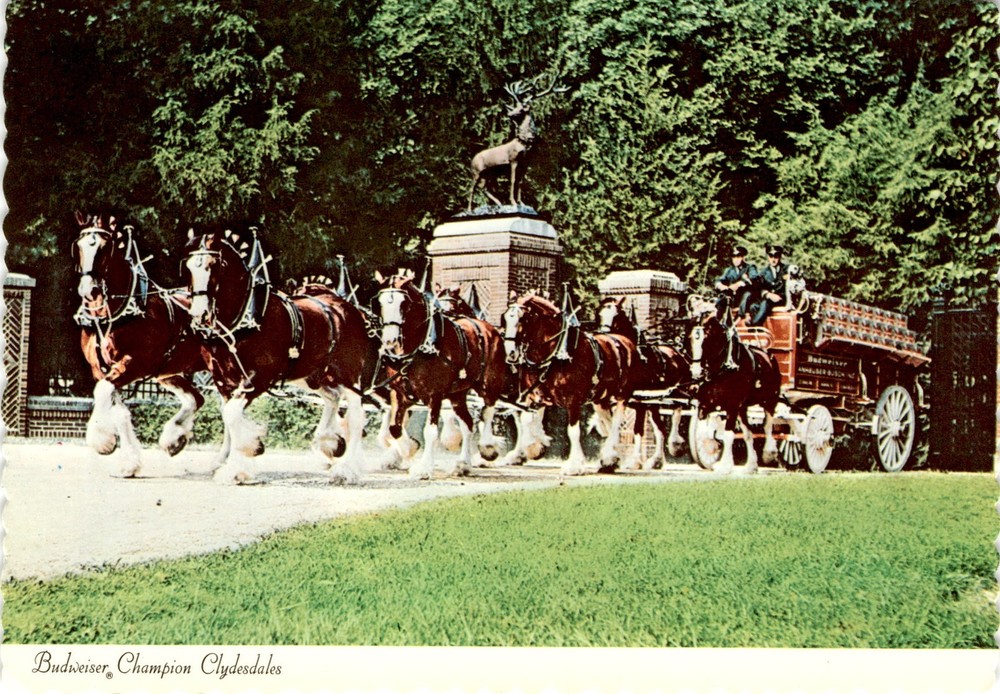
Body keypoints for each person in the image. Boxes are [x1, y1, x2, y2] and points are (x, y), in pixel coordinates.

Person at [714, 245, 757, 323]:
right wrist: (720, 285)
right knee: (722, 298)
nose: (736, 259)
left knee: (747, 294)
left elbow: (754, 279)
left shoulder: (750, 267)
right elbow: (719, 280)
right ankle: (718, 320)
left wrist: (741, 283)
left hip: (746, 297)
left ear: (743, 257)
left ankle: (740, 318)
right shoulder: (729, 270)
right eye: (733, 257)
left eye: (738, 256)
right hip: (733, 297)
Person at [749, 244, 789, 326]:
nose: (773, 259)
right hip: (769, 299)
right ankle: (758, 332)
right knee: (753, 306)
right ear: (768, 257)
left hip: (782, 299)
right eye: (771, 256)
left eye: (776, 256)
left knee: (765, 302)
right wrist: (768, 294)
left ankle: (753, 325)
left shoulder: (787, 269)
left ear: (780, 256)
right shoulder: (763, 273)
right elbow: (759, 288)